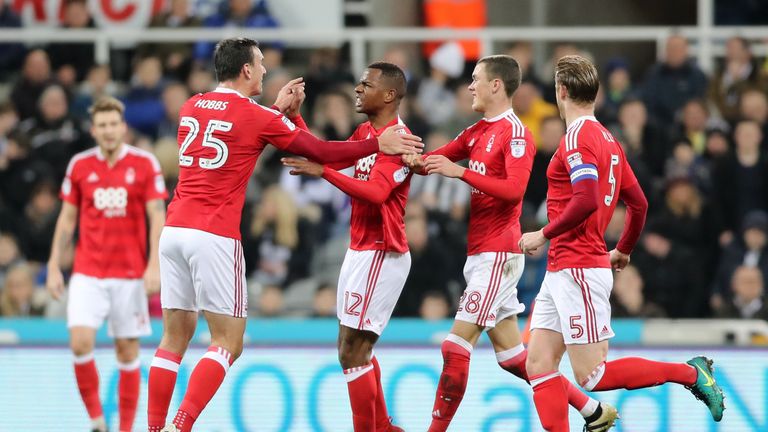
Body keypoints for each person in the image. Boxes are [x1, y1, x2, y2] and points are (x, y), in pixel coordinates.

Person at [146, 38, 422, 432]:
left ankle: (153, 427)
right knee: (227, 342)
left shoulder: (193, 104)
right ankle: (181, 424)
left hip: (174, 230)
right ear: (245, 70)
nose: (264, 71)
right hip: (214, 234)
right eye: (259, 64)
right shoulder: (257, 115)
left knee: (173, 338)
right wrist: (376, 143)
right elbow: (315, 149)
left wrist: (279, 113)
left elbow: (242, 134)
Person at [406, 55, 616, 432]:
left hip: (500, 253)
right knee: (514, 358)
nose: (469, 86)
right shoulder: (475, 133)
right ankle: (591, 410)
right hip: (480, 253)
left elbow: (514, 190)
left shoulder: (516, 134)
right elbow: (432, 161)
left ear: (496, 85)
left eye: (475, 79)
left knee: (454, 348)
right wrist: (399, 155)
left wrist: (461, 171)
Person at [518, 55, 724, 432]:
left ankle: (691, 374)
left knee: (592, 376)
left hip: (578, 268)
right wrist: (624, 249)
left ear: (561, 91)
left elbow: (585, 200)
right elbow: (640, 203)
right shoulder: (609, 140)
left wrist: (541, 234)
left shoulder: (579, 137)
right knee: (538, 364)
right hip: (565, 268)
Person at [282, 61, 412, 432]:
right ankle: (384, 427)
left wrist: (326, 173)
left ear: (388, 95)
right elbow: (325, 153)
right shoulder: (365, 132)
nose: (356, 89)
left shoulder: (400, 139)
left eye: (365, 84)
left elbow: (376, 192)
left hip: (382, 250)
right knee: (356, 349)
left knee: (350, 351)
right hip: (359, 249)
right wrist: (297, 119)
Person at [45, 97, 167, 432]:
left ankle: (125, 428)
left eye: (114, 124)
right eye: (102, 125)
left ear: (123, 127)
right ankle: (98, 421)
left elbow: (157, 215)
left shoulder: (145, 164)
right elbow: (68, 218)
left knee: (127, 352)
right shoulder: (80, 166)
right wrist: (55, 264)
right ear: (93, 130)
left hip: (129, 274)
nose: (109, 131)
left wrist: (154, 265)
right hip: (87, 271)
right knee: (80, 342)